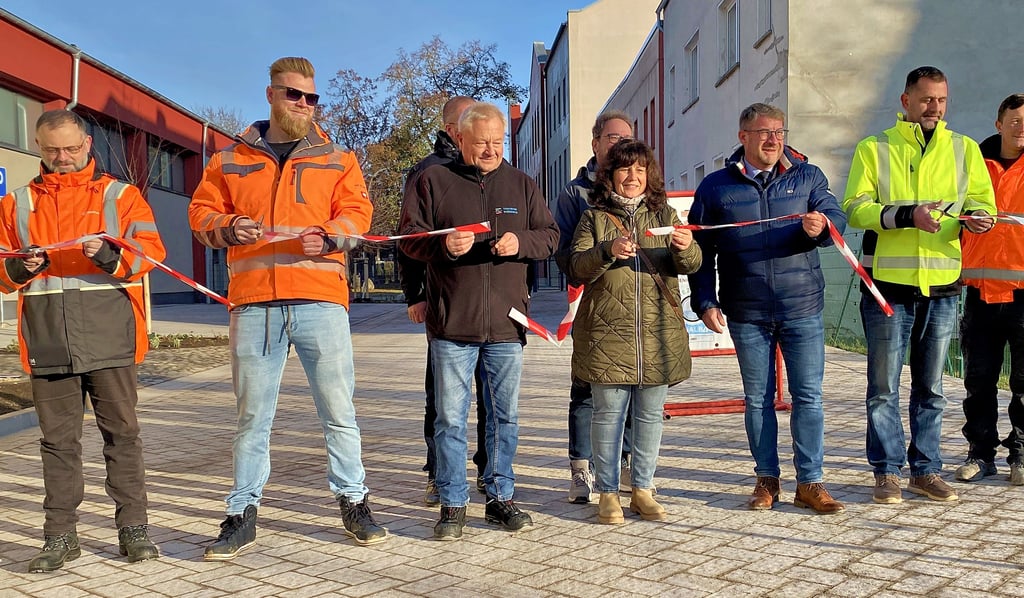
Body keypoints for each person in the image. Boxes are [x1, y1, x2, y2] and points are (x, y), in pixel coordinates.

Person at [189, 56, 385, 559]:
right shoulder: (229, 159)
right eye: (294, 94)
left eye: (311, 97)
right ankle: (241, 511)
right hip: (254, 305)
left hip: (320, 300)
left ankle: (353, 500)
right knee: (252, 416)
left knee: (339, 411)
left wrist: (336, 239)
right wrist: (229, 226)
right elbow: (200, 212)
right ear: (271, 95)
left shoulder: (338, 157)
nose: (304, 104)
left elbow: (357, 212)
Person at [0, 109, 165, 572]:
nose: (63, 158)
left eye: (72, 148)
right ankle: (60, 537)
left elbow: (151, 253)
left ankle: (134, 530)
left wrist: (111, 254)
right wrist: (17, 268)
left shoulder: (121, 195)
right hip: (49, 337)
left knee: (123, 436)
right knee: (57, 443)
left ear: (87, 145)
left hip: (111, 334)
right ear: (38, 147)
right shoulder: (16, 204)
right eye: (52, 150)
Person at [399, 101, 558, 540]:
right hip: (453, 325)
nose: (490, 149)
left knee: (504, 417)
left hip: (507, 325)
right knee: (450, 418)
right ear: (460, 139)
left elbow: (550, 237)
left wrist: (520, 242)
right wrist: (443, 246)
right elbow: (410, 239)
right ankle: (452, 502)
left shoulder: (521, 184)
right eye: (481, 141)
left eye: (497, 141)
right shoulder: (433, 180)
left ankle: (499, 496)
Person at [844, 66, 996, 504]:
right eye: (926, 99)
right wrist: (909, 215)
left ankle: (926, 470)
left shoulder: (964, 149)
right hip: (888, 286)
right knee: (883, 389)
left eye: (941, 100)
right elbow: (855, 208)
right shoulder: (874, 148)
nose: (934, 107)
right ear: (905, 101)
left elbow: (982, 204)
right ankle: (887, 471)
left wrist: (981, 221)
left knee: (932, 387)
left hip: (943, 283)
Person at [689, 103, 847, 514]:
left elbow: (835, 214)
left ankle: (810, 482)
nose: (774, 139)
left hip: (802, 306)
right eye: (764, 132)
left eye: (779, 131)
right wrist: (704, 299)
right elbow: (700, 249)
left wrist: (823, 226)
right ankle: (766, 480)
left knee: (808, 397)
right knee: (756, 399)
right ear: (743, 137)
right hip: (747, 309)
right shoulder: (716, 187)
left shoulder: (807, 176)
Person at [568, 139, 701, 524]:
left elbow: (689, 265)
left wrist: (686, 246)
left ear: (650, 175)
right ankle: (608, 493)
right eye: (625, 169)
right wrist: (608, 250)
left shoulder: (666, 213)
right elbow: (576, 267)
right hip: (607, 333)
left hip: (657, 333)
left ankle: (642, 488)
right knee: (608, 415)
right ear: (609, 175)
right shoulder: (593, 217)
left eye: (640, 170)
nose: (633, 177)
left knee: (650, 416)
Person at [397, 95, 488, 506]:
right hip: (444, 304)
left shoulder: (490, 172)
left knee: (490, 396)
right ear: (455, 130)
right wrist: (414, 294)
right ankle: (439, 472)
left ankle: (488, 469)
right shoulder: (427, 173)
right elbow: (407, 241)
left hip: (492, 306)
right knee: (443, 398)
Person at [554, 110, 638, 503]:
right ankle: (581, 469)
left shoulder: (643, 189)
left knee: (633, 385)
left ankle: (622, 462)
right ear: (595, 144)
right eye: (612, 138)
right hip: (591, 303)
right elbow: (566, 256)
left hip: (633, 305)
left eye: (626, 138)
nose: (619, 144)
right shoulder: (575, 195)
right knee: (587, 387)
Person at [957, 93, 1024, 485]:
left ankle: (1021, 452)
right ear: (998, 124)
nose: (1021, 128)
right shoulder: (972, 165)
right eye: (1014, 120)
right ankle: (981, 454)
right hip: (980, 292)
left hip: (1022, 293)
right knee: (978, 382)